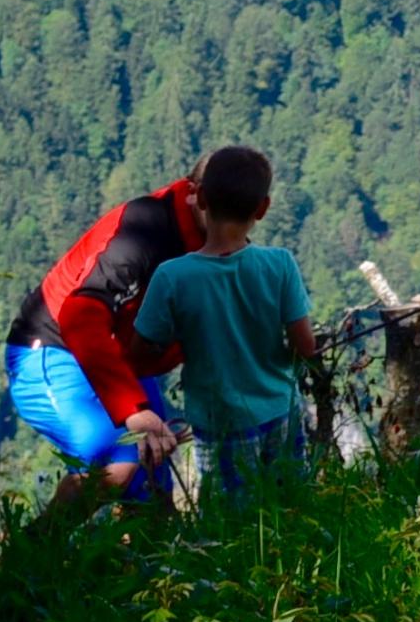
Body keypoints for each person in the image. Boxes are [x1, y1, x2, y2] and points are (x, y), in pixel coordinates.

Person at [5, 160, 221, 514]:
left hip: (116, 353)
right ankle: (34, 547)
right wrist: (133, 411)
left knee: (152, 490)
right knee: (118, 461)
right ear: (193, 195)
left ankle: (147, 550)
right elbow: (79, 317)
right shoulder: (143, 231)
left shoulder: (216, 240)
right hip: (50, 347)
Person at [129, 145, 321, 495]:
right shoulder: (280, 264)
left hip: (220, 422)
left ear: (201, 198)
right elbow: (305, 347)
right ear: (263, 208)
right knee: (292, 502)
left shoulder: (173, 277)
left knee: (231, 515)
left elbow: (140, 353)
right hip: (282, 410)